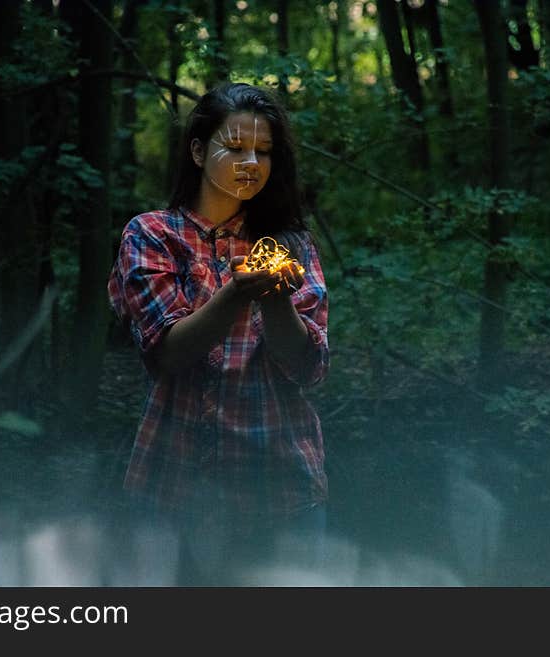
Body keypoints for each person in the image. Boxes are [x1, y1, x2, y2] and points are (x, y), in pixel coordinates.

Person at [107, 82, 329, 583]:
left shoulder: (291, 242)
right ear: (199, 149)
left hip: (281, 489)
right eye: (235, 147)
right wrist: (238, 292)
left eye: (264, 151)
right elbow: (165, 355)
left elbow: (308, 368)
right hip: (175, 489)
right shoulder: (151, 235)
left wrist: (273, 300)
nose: (251, 162)